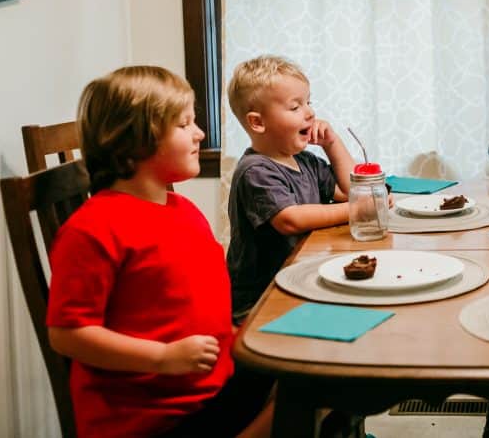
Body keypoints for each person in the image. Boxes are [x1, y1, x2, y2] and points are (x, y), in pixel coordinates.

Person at [46, 66, 273, 438]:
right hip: (153, 415)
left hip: (208, 386)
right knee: (315, 393)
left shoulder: (181, 210)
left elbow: (185, 302)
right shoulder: (93, 229)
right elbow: (67, 334)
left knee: (321, 370)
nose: (200, 133)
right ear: (135, 141)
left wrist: (237, 334)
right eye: (184, 125)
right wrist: (163, 358)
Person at [225, 55, 356, 322]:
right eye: (295, 107)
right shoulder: (256, 171)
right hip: (262, 300)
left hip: (299, 282)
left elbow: (353, 190)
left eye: (309, 102)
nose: (309, 112)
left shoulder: (305, 161)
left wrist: (333, 144)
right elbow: (291, 219)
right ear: (257, 122)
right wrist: (358, 210)